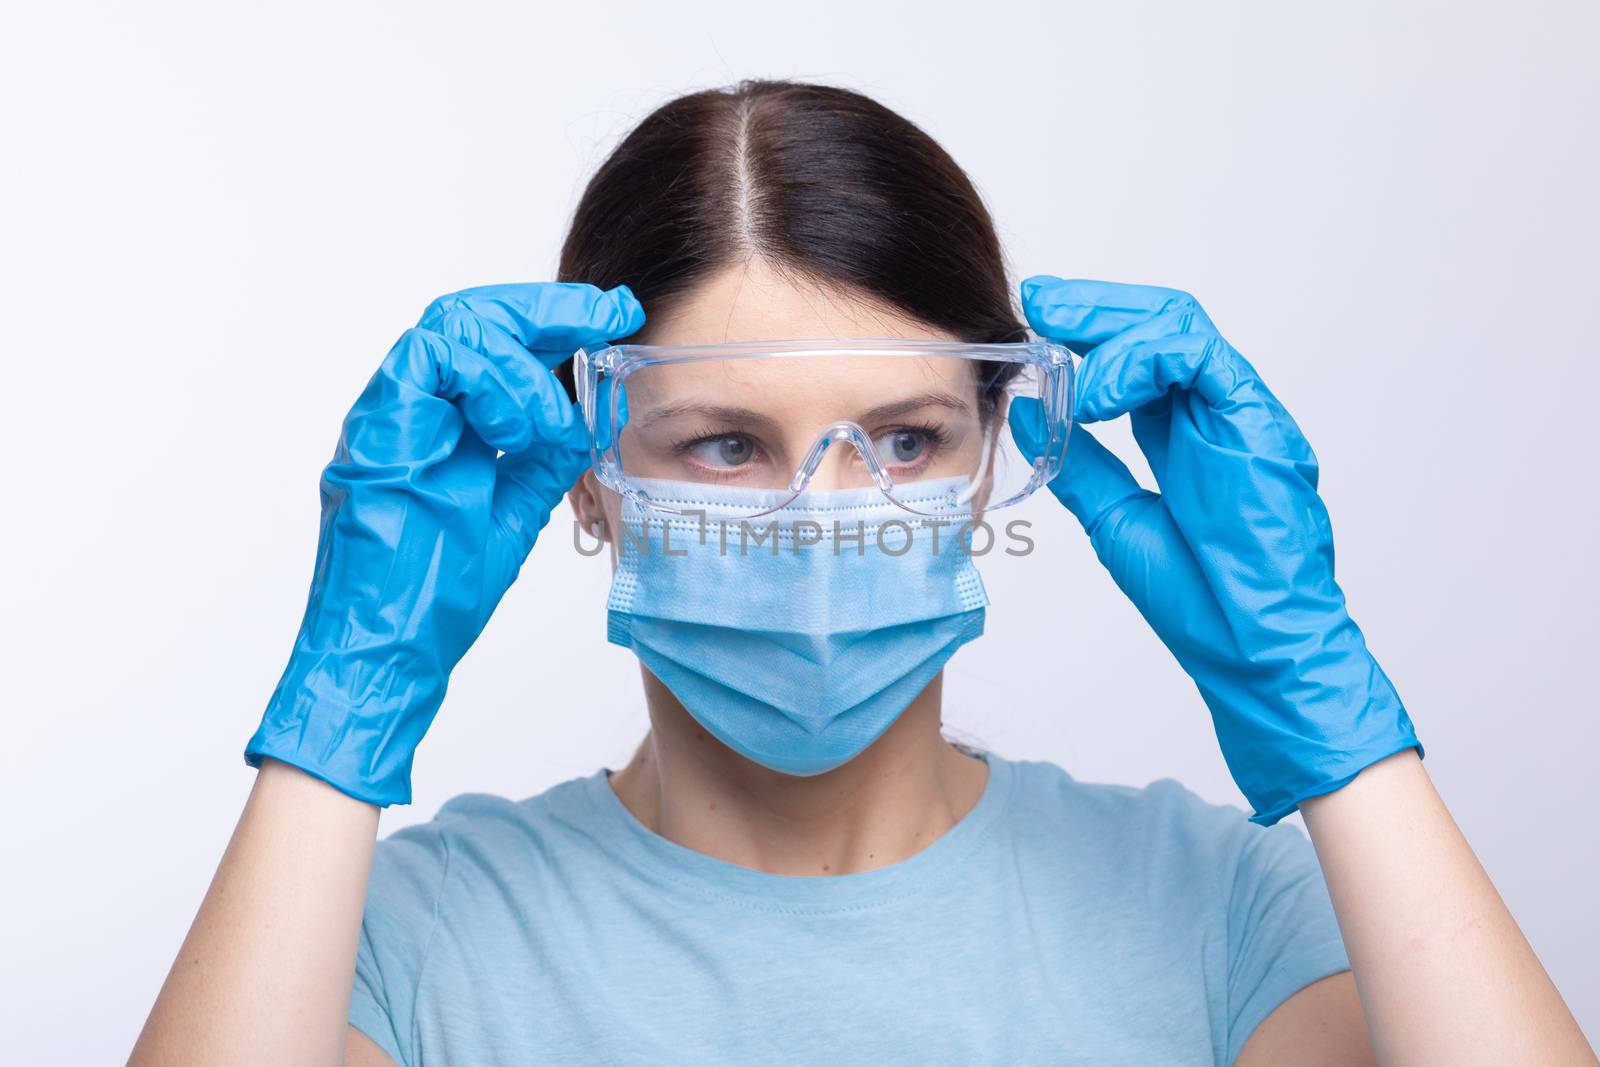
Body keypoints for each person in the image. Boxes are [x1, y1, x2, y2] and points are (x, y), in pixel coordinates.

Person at [130, 80, 1593, 1066]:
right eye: (722, 446)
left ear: (989, 457)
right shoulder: (403, 940)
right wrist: (341, 719)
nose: (826, 519)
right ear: (589, 472)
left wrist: (1330, 720)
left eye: (902, 438)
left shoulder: (1223, 907)